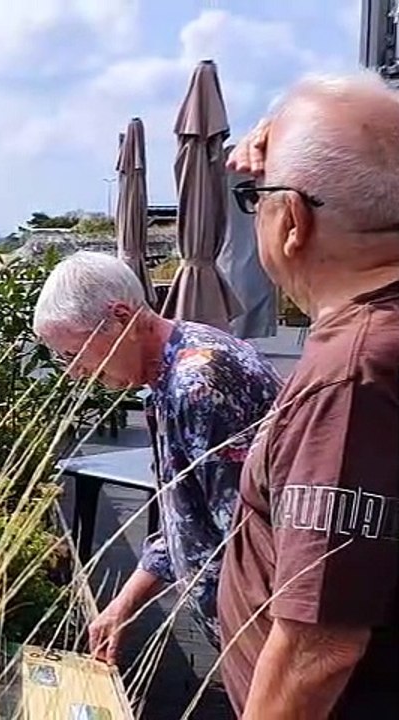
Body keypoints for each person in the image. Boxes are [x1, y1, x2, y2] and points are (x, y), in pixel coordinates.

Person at [218, 71, 399, 717]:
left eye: (255, 200)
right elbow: (370, 149)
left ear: (291, 220)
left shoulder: (350, 380)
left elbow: (317, 651)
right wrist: (297, 133)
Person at [33, 251, 281, 663]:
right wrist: (123, 605)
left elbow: (248, 541)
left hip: (264, 636)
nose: (73, 373)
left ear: (121, 316)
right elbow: (186, 517)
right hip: (248, 634)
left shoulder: (196, 384)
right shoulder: (175, 367)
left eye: (73, 354)